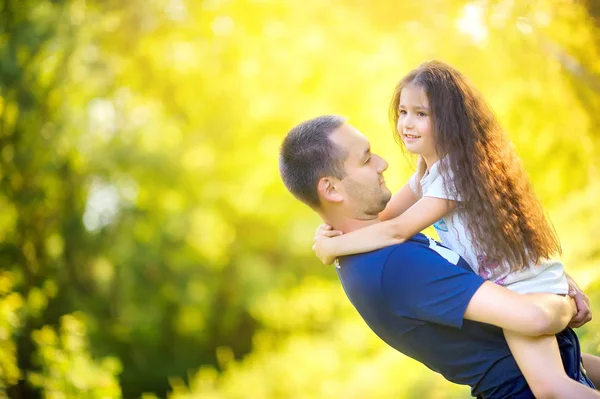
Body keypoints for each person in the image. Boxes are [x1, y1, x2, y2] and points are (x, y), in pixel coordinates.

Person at [310, 61, 598, 394]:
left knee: (552, 389)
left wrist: (333, 248)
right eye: (403, 111)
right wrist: (329, 230)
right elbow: (385, 215)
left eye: (421, 114)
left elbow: (397, 230)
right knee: (567, 375)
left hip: (522, 286)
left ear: (449, 121)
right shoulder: (428, 172)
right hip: (517, 281)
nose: (407, 123)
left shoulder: (454, 174)